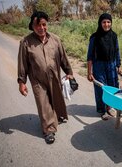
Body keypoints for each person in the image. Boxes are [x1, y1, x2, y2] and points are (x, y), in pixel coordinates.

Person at [17, 11, 77, 144]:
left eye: (44, 24)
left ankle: (59, 116)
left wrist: (69, 72)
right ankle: (48, 130)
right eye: (38, 25)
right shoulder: (25, 42)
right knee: (43, 103)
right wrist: (22, 82)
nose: (41, 28)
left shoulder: (55, 39)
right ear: (32, 26)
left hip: (54, 76)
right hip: (37, 80)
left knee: (56, 97)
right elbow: (22, 64)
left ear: (47, 24)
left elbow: (63, 58)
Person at [87, 13, 121, 120]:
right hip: (99, 66)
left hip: (111, 65)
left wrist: (118, 65)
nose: (106, 24)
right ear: (100, 23)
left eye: (108, 22)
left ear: (111, 23)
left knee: (112, 87)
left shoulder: (114, 36)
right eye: (104, 22)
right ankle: (102, 110)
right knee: (101, 88)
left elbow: (117, 51)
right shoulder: (94, 37)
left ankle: (109, 107)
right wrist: (89, 72)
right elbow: (90, 56)